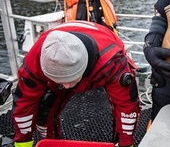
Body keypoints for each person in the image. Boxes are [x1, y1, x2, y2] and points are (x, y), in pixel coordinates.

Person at [12, 20, 140, 147]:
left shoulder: (112, 63)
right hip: (61, 72)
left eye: (70, 80)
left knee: (122, 113)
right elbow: (24, 104)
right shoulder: (34, 62)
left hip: (103, 54)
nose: (66, 87)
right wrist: (22, 142)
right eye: (61, 82)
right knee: (44, 110)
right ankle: (52, 142)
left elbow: (126, 107)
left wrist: (126, 142)